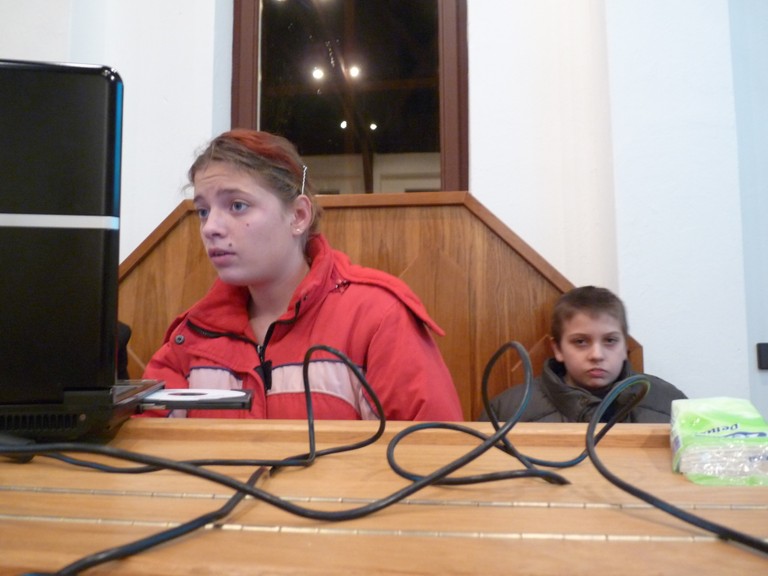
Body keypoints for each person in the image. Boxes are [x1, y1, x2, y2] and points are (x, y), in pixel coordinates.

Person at [142, 129, 463, 421]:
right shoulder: (193, 336)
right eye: (203, 211)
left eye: (237, 206)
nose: (210, 227)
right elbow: (145, 448)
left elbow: (436, 453)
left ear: (298, 216)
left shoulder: (378, 318)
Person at [480, 286, 686, 423]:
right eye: (580, 342)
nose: (597, 355)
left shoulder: (671, 405)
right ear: (557, 349)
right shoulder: (506, 411)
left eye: (610, 341)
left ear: (625, 346)